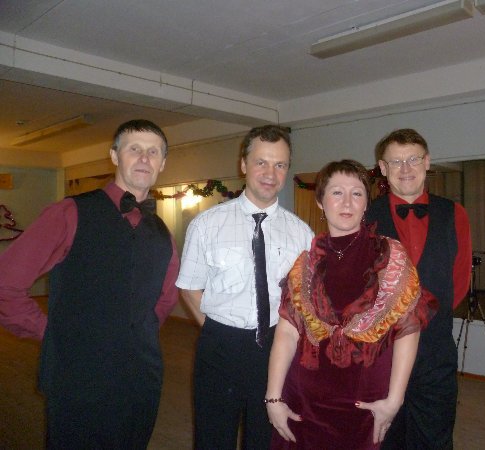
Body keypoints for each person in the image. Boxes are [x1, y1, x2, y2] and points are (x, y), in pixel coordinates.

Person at [0, 119, 180, 448]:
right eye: (134, 149)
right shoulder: (69, 213)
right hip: (77, 377)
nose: (144, 158)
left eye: (153, 152)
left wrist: (138, 333)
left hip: (141, 378)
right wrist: (50, 331)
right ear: (114, 156)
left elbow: (166, 298)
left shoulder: (162, 232)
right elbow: (5, 284)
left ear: (163, 163)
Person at [266, 159, 435, 450]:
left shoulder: (389, 256)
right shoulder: (305, 264)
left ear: (366, 203)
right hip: (303, 403)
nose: (347, 202)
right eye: (336, 192)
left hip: (364, 406)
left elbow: (408, 329)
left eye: (357, 193)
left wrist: (395, 400)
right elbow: (287, 332)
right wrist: (273, 398)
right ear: (320, 202)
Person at [176, 125, 313, 450]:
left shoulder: (302, 234)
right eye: (261, 162)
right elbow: (190, 288)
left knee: (265, 440)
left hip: (275, 349)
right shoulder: (206, 225)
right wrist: (217, 331)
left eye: (280, 164)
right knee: (213, 439)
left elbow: (305, 301)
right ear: (243, 164)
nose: (270, 173)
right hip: (220, 348)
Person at [365, 129, 472, 450]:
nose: (406, 168)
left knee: (435, 438)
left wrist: (428, 317)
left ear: (427, 162)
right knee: (382, 439)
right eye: (396, 162)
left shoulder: (455, 213)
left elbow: (459, 281)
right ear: (383, 168)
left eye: (413, 159)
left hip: (435, 351)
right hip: (381, 354)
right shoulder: (366, 215)